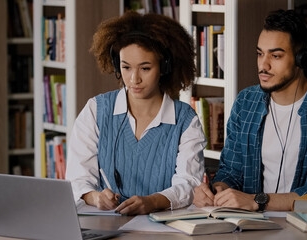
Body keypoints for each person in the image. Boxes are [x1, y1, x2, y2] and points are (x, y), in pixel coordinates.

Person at [193, 9, 307, 212]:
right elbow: (231, 172)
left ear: (302, 60)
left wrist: (258, 200)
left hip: (305, 226)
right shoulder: (246, 102)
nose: (263, 65)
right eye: (260, 54)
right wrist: (217, 189)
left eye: (276, 56)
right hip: (249, 226)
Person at [66, 11, 206, 215]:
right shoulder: (96, 110)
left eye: (145, 68)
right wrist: (95, 198)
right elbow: (77, 179)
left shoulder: (185, 120)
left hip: (163, 228)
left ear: (164, 67)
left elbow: (188, 185)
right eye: (126, 67)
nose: (134, 79)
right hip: (104, 223)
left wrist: (152, 202)